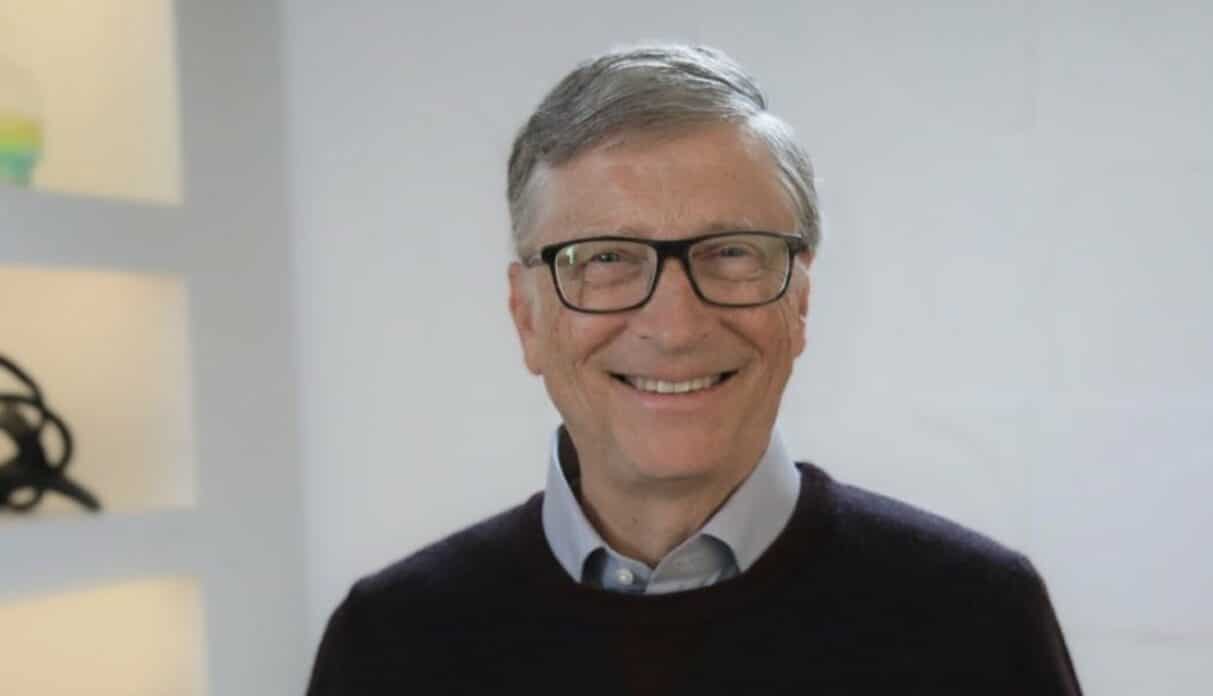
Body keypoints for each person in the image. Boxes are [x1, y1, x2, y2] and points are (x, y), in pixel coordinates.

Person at [306, 44, 1083, 695]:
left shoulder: (975, 622)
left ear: (800, 300)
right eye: (605, 259)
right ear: (527, 316)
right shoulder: (392, 645)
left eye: (731, 253)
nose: (675, 327)